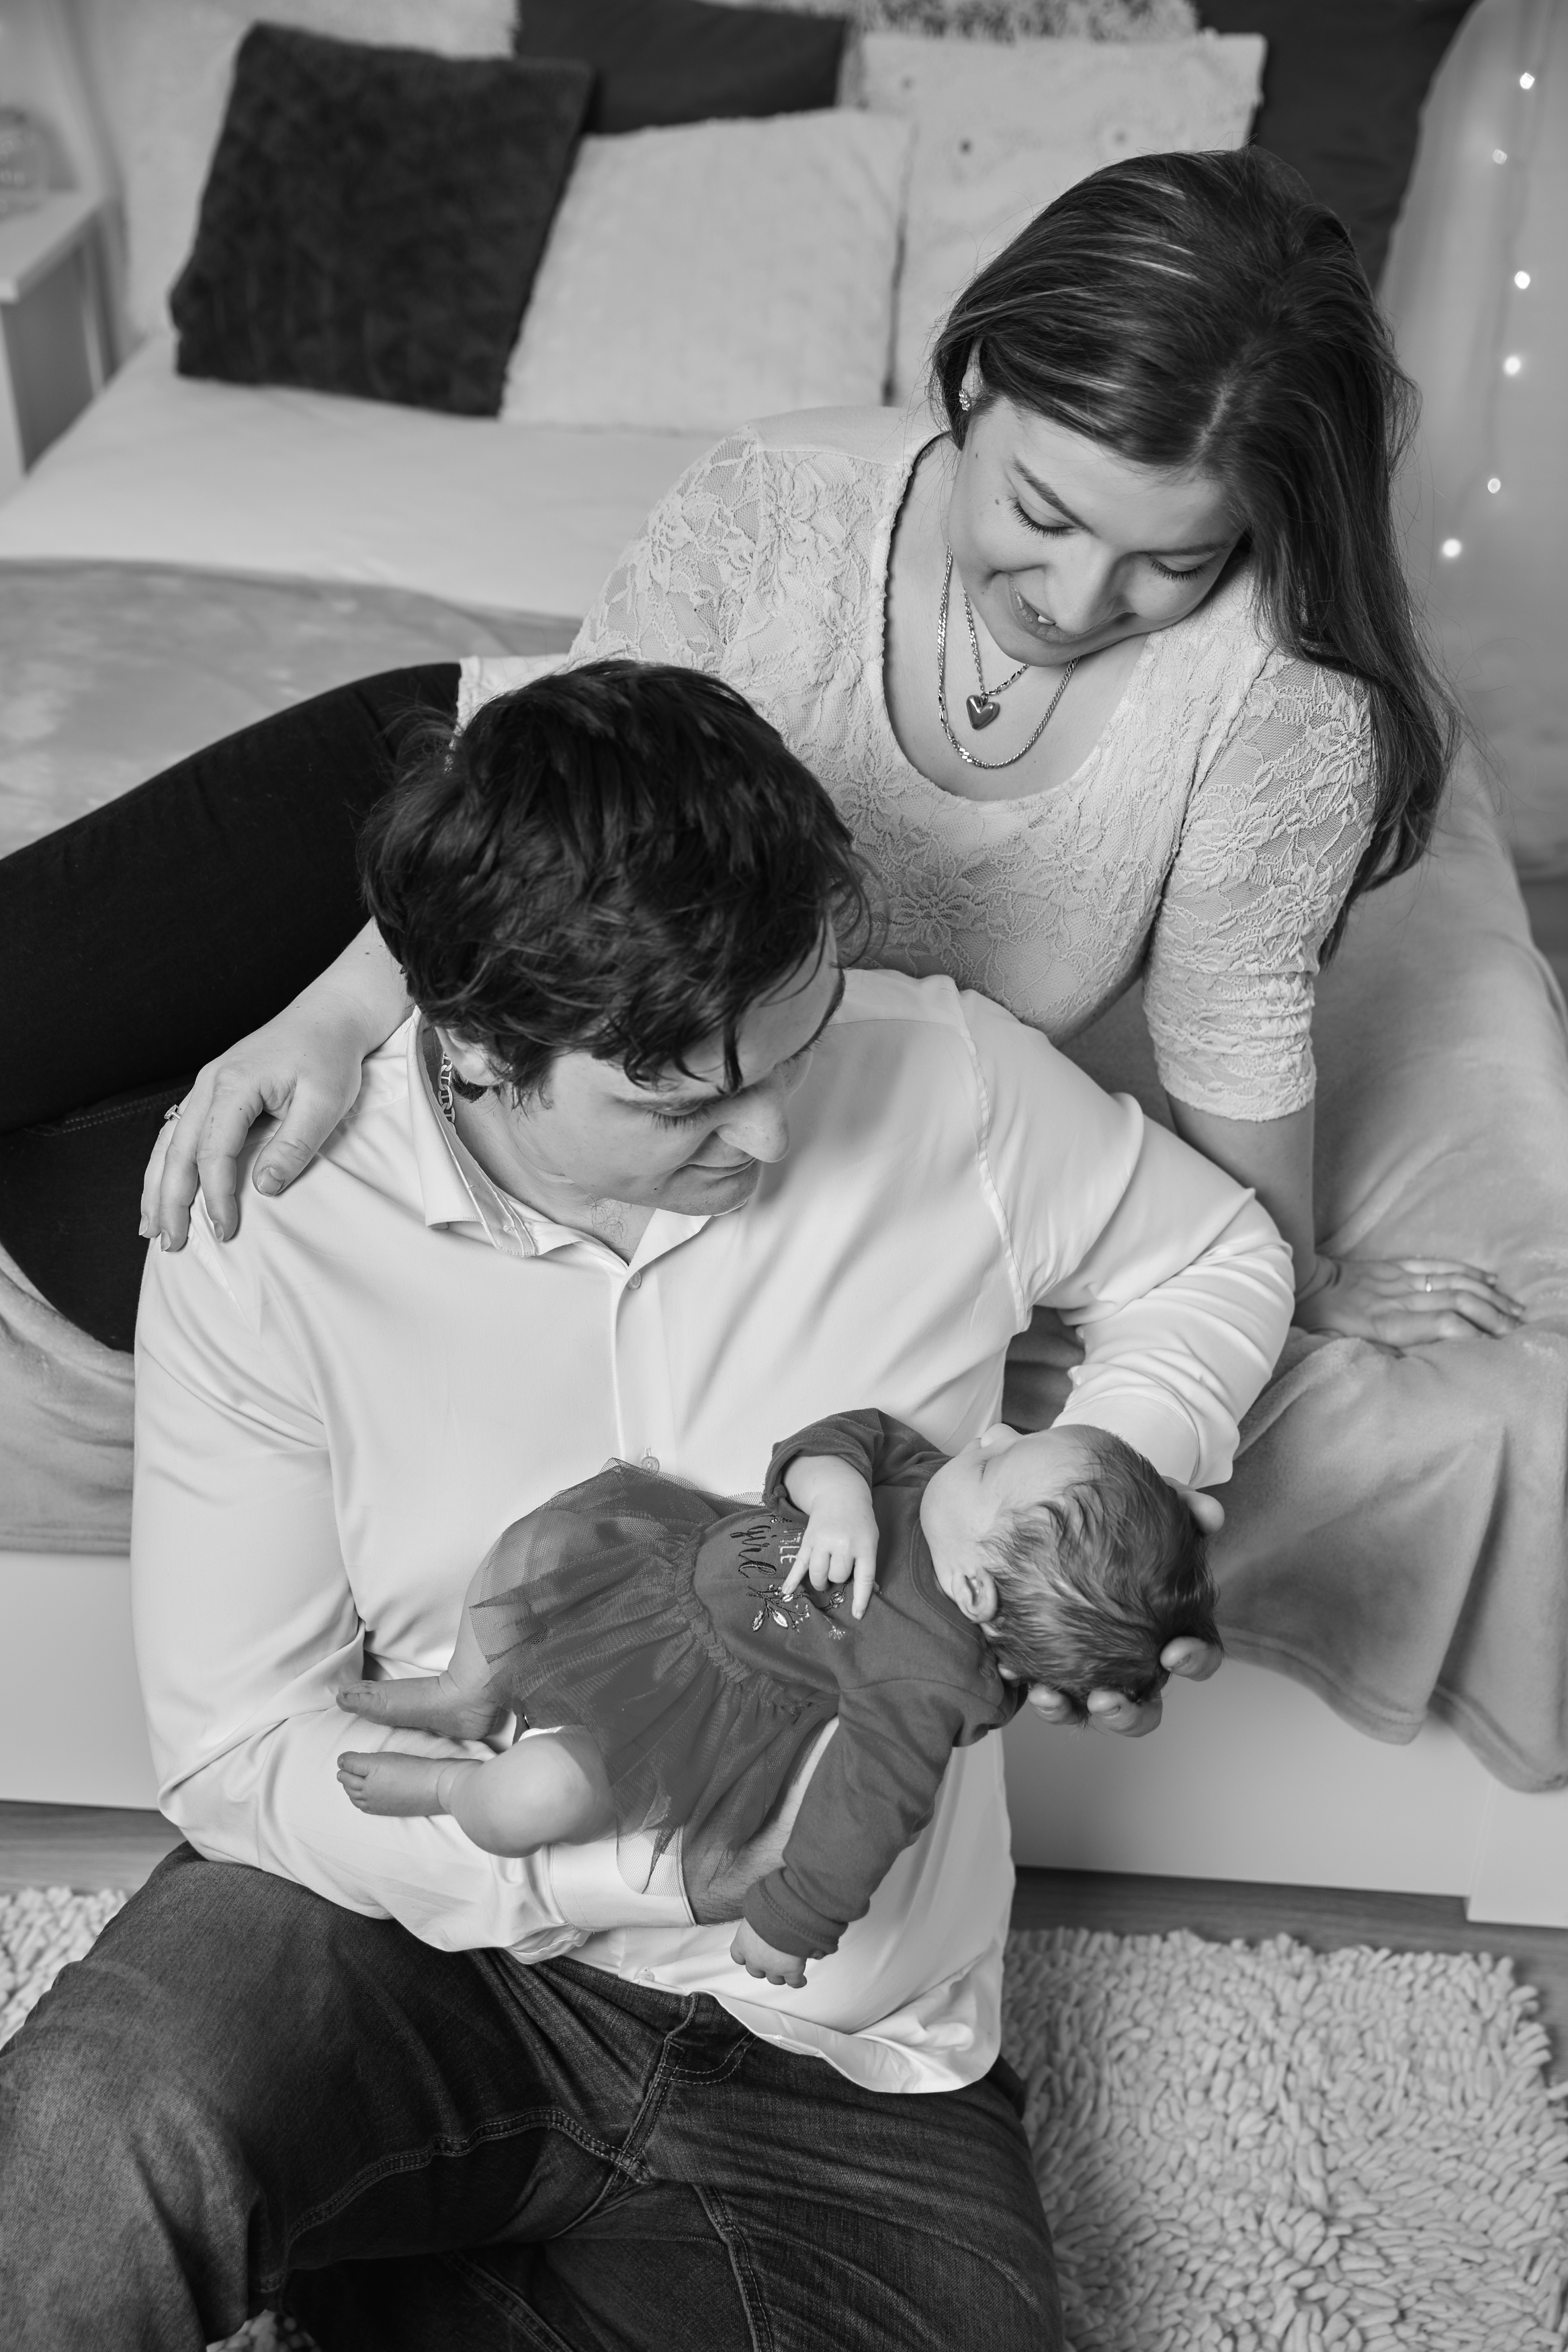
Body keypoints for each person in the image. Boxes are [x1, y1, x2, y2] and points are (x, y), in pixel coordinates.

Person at [0, 662, 1292, 2347]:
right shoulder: (278, 1230)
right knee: (93, 2134)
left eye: (793, 1049)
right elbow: (238, 1745)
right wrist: (605, 1865)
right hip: (402, 1934)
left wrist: (1087, 1492)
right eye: (685, 1100)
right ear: (478, 1047)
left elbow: (1216, 1255)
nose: (773, 1134)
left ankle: (395, 2274)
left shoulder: (947, 1083)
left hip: (844, 2066)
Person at [120, 148, 1517, 1359]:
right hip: (464, 792)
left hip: (567, 989)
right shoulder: (776, 496)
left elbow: (1233, 1029)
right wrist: (329, 1017)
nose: (1076, 600)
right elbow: (552, 822)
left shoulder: (1276, 705)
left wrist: (1280, 1275)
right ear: (975, 384)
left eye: (1174, 561)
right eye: (1041, 513)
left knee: (154, 1212)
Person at [335, 1409, 1218, 1990]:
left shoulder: (926, 1680)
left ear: (976, 1591)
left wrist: (796, 1921)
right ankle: (465, 1693)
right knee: (540, 1541)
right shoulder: (933, 1492)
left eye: (996, 1462)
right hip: (655, 1570)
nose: (988, 1433)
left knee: (533, 1799)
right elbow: (850, 1435)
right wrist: (838, 1494)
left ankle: (453, 1787)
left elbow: (869, 1804)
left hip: (693, 1714)